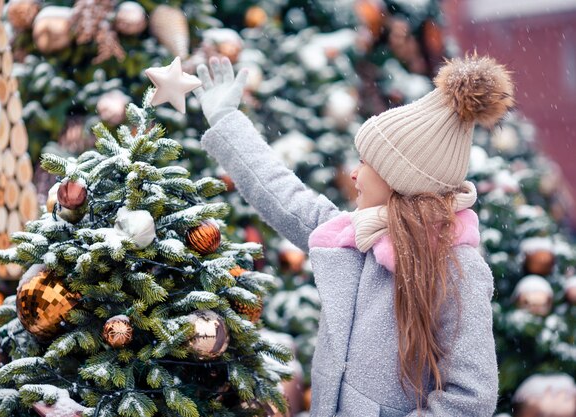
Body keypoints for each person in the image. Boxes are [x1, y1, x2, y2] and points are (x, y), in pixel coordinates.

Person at [193, 53, 514, 417]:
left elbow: (471, 398)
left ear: (400, 179)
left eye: (366, 163)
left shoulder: (456, 268)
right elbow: (282, 195)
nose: (354, 174)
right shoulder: (355, 237)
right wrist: (227, 121)